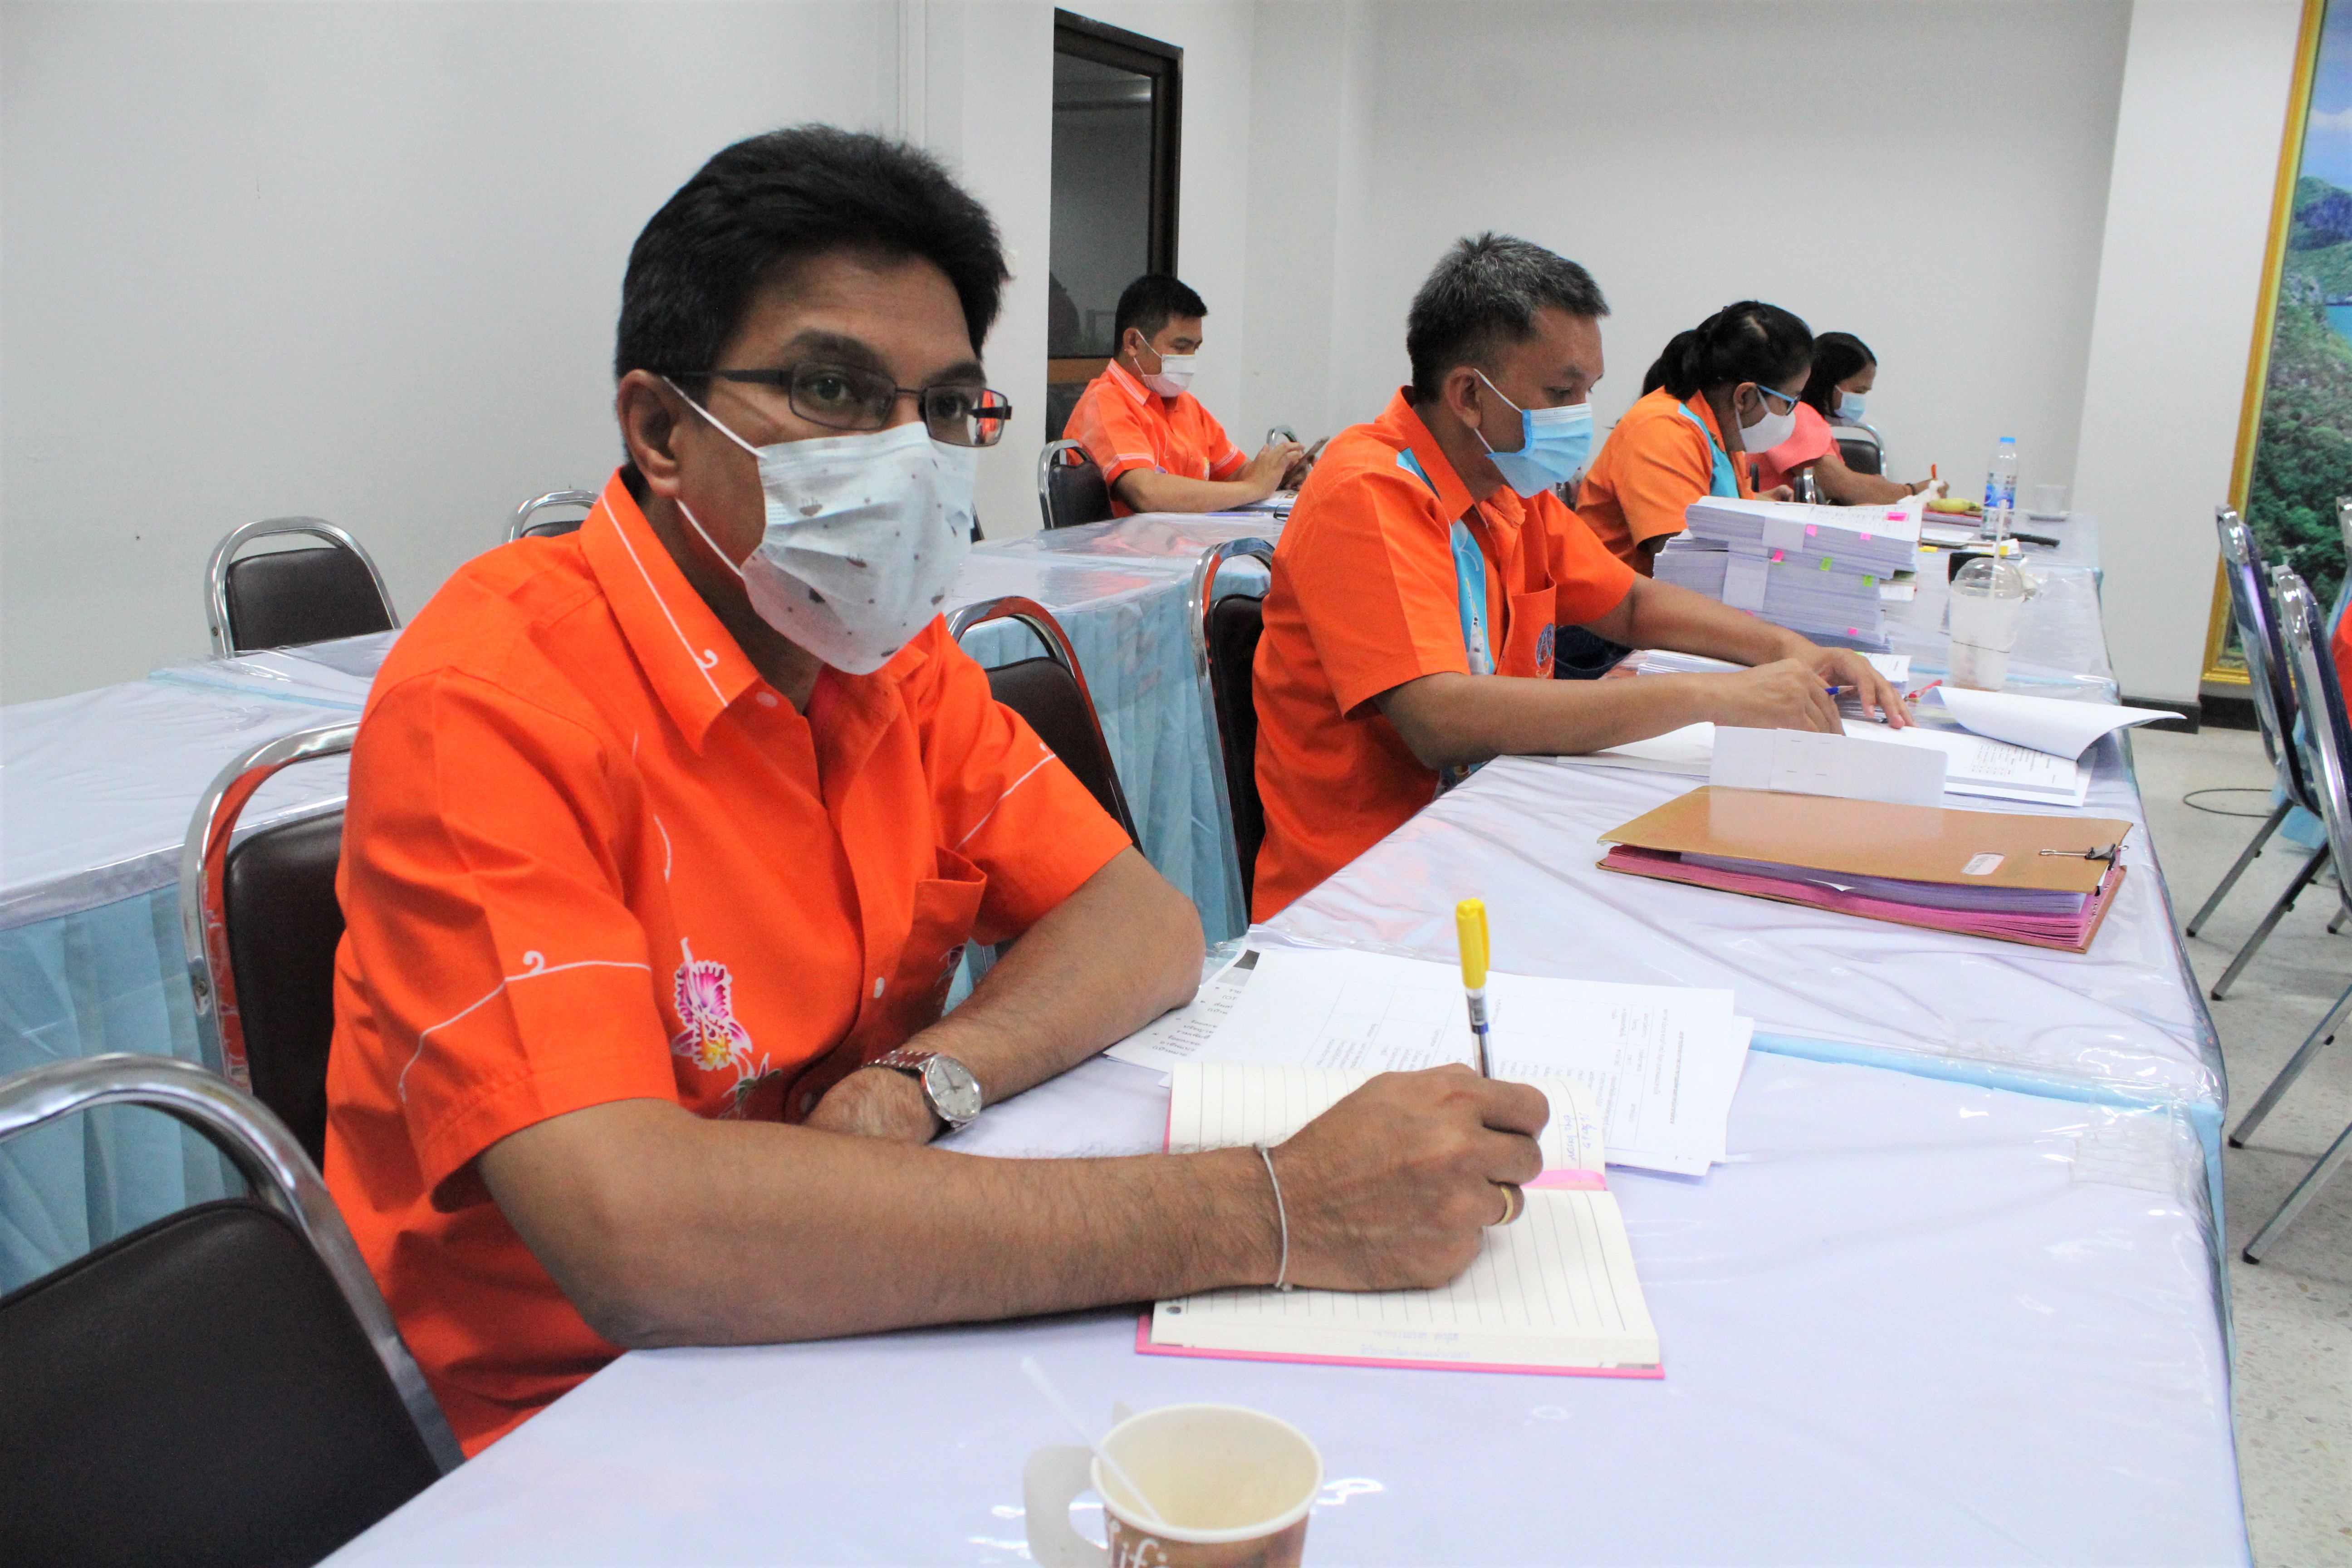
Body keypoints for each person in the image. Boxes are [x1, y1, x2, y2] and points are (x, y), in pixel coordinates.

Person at [325, 127, 1550, 1455]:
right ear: (661, 429)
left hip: (859, 1300)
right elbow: (641, 1242)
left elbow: (1141, 928)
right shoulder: (493, 696)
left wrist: (925, 1081)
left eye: (943, 406)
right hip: (585, 1414)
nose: (908, 458)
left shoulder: (880, 655)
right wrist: (1271, 1210)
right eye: (834, 391)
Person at [1249, 237, 1909, 921]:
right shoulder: (1369, 490)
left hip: (1481, 834)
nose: (1580, 416)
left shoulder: (1506, 486)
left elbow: (1630, 604)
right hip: (1365, 893)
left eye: (1587, 391)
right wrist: (1717, 696)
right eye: (1561, 392)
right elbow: (1438, 717)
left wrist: (1794, 652)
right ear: (1470, 394)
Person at [1574, 302, 1814, 572]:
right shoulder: (1663, 430)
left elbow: (1714, 506)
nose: (1791, 414)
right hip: (1628, 606)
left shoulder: (1721, 433)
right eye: (1790, 401)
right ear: (1745, 397)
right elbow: (1682, 561)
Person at [1064, 273, 1306, 515]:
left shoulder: (1184, 404)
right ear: (1134, 342)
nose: (1189, 359)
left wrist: (1277, 475)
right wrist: (1255, 488)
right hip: (1128, 551)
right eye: (1180, 347)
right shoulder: (1106, 402)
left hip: (1183, 542)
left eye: (1195, 348)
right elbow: (1146, 493)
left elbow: (1239, 475)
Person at [1750, 330, 1935, 503]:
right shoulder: (1797, 416)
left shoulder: (1809, 420)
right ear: (1828, 383)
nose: (1860, 400)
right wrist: (1916, 491)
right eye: (1858, 391)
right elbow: (1846, 487)